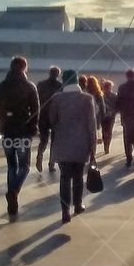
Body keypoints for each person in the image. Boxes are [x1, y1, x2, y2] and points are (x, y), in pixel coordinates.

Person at [0, 56, 39, 218]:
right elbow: (36, 110)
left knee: (12, 165)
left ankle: (12, 195)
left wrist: (2, 120)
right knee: (24, 166)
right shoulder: (29, 87)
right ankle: (14, 191)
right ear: (24, 68)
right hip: (24, 130)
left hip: (7, 131)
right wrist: (33, 126)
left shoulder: (0, 87)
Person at [49, 69, 97, 224]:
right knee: (78, 177)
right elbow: (91, 124)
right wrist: (93, 146)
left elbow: (52, 121)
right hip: (81, 143)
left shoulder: (56, 99)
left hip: (62, 143)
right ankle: (77, 205)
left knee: (64, 178)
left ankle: (64, 211)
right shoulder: (87, 98)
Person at [35, 66, 63, 173]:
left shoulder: (41, 84)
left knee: (44, 140)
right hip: (56, 117)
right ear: (58, 74)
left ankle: (39, 156)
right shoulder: (60, 86)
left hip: (42, 115)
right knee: (54, 142)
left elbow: (35, 99)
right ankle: (51, 164)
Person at [101, 79, 118, 154]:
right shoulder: (102, 95)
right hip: (106, 116)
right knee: (106, 131)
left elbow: (117, 106)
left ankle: (106, 145)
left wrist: (113, 112)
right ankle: (106, 145)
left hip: (109, 116)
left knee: (107, 131)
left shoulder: (113, 96)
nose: (106, 88)